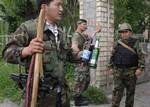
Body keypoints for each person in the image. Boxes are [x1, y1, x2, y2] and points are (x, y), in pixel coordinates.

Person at [2, 0, 72, 107]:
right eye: (58, 5)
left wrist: (81, 54)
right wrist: (27, 50)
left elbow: (69, 56)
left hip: (62, 95)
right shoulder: (29, 28)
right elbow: (6, 53)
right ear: (44, 7)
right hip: (40, 97)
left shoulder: (61, 33)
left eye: (62, 5)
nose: (61, 9)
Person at [109, 22, 145, 107]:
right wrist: (110, 67)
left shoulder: (135, 43)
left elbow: (141, 56)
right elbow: (112, 56)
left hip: (131, 72)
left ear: (130, 32)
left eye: (126, 31)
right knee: (116, 93)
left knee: (130, 94)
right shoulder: (117, 43)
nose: (124, 34)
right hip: (118, 72)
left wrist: (140, 68)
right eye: (122, 32)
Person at [71, 19, 101, 106]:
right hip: (80, 63)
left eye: (86, 24)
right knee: (80, 80)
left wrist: (96, 31)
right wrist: (83, 52)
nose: (86, 26)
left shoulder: (83, 35)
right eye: (84, 24)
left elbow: (90, 39)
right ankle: (77, 99)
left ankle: (80, 95)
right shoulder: (76, 35)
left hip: (85, 62)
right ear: (79, 24)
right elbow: (74, 47)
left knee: (86, 80)